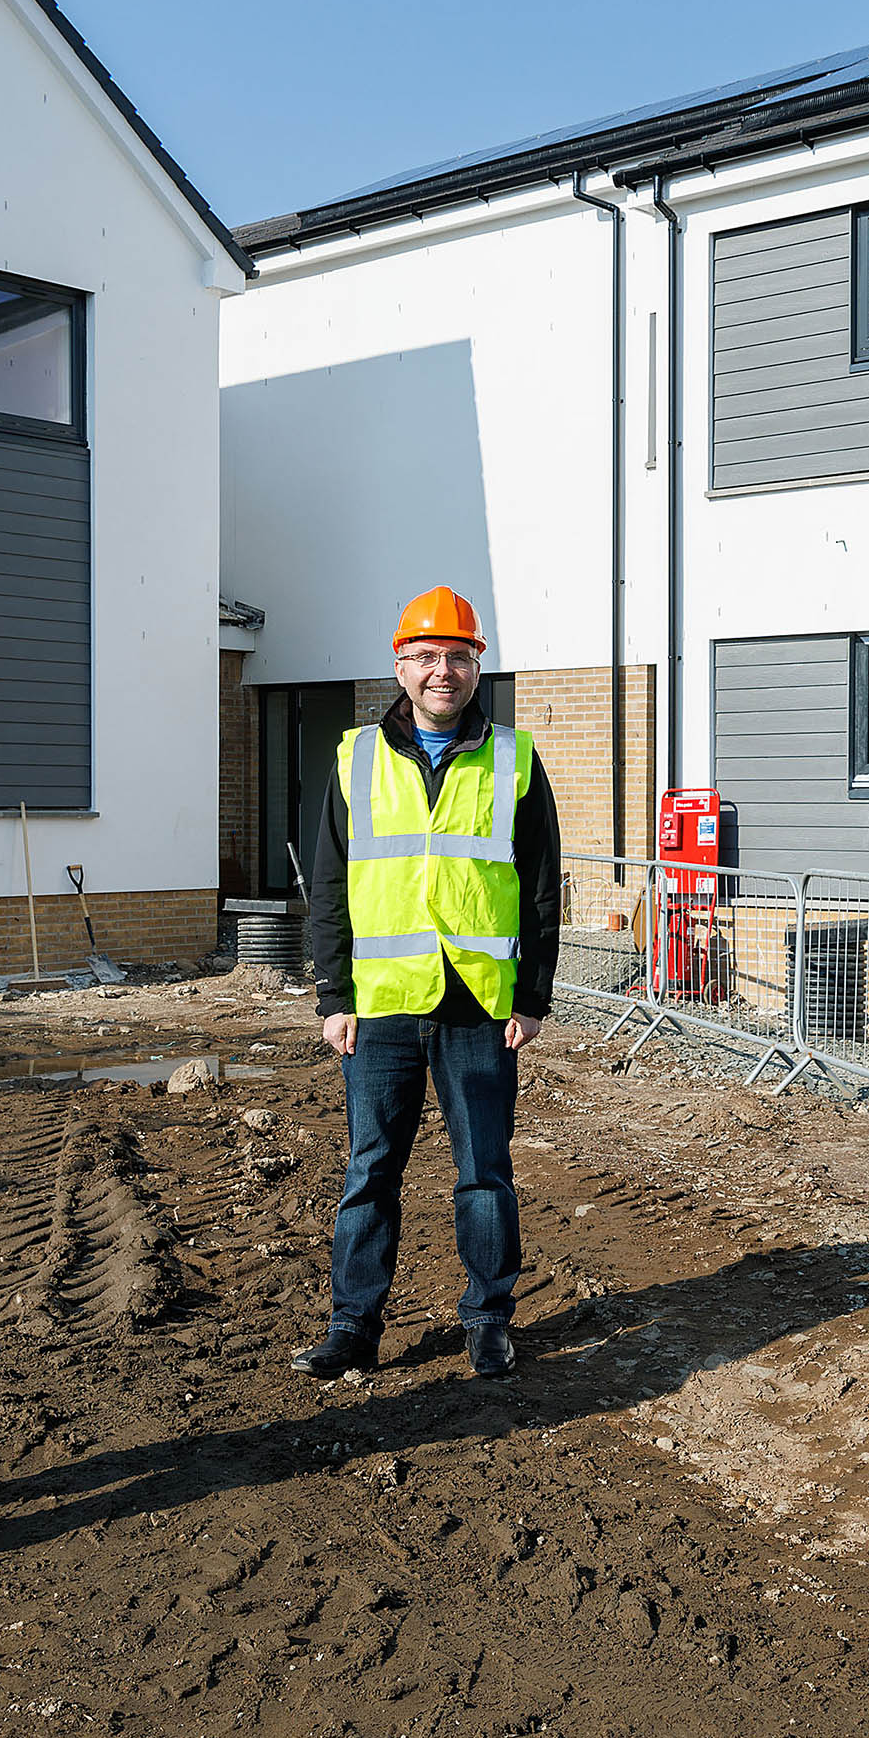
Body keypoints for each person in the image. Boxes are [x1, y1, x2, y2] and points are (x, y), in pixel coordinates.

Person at [295, 587, 562, 1382]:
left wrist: (533, 997)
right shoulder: (355, 755)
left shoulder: (514, 758)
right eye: (424, 657)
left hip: (478, 1004)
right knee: (370, 1169)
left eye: (456, 656)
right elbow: (331, 885)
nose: (440, 671)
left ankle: (489, 1323)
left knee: (484, 1171)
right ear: (400, 666)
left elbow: (544, 884)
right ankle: (353, 1326)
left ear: (478, 665)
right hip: (380, 1005)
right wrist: (332, 997)